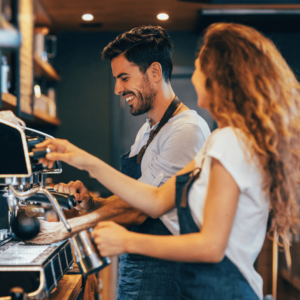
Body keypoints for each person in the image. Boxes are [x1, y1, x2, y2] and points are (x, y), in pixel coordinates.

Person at [36, 23, 300, 300]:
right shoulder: (220, 140)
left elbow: (211, 246)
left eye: (199, 67)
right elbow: (156, 199)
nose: (194, 75)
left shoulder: (229, 142)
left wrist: (127, 240)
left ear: (219, 77)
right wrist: (82, 160)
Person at [32, 26, 211, 300]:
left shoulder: (186, 130)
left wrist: (63, 229)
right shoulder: (148, 130)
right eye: (116, 79)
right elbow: (137, 197)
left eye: (124, 78)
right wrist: (92, 203)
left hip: (164, 273)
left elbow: (145, 209)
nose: (117, 89)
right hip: (138, 265)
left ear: (154, 72)